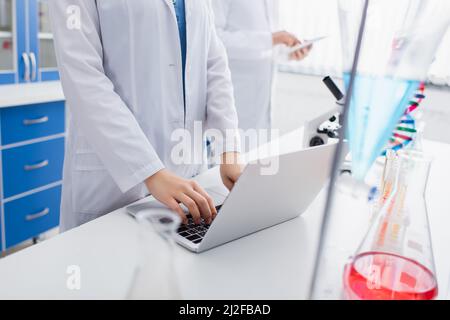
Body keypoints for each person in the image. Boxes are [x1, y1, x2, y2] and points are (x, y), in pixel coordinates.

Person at [49, 0, 242, 231]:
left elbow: (213, 63)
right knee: (108, 264)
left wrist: (228, 148)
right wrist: (151, 172)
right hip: (114, 187)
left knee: (181, 262)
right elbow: (83, 79)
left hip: (188, 178)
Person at [212, 0, 311, 133]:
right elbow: (215, 40)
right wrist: (271, 39)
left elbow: (267, 48)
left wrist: (290, 53)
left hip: (263, 112)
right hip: (234, 105)